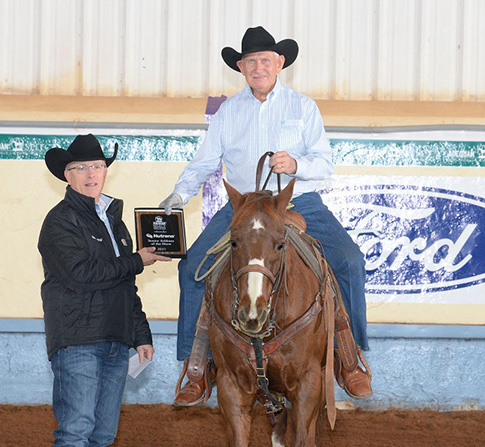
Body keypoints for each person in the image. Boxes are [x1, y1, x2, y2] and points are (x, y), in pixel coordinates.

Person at [159, 26, 372, 406]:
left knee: (349, 261)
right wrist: (178, 195)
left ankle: (349, 358)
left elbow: (325, 164)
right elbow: (205, 161)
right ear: (241, 67)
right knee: (192, 267)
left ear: (280, 63)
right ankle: (197, 366)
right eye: (251, 61)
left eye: (265, 60)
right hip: (242, 208)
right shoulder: (229, 111)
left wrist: (296, 163)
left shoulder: (302, 107)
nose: (259, 67)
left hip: (298, 203)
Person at [39, 134, 171, 446]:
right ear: (67, 175)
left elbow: (126, 285)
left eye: (97, 166)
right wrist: (137, 259)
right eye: (81, 168)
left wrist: (140, 335)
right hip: (78, 340)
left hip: (115, 338)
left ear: (106, 171)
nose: (91, 174)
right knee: (76, 431)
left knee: (103, 435)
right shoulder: (60, 221)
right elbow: (80, 274)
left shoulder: (114, 222)